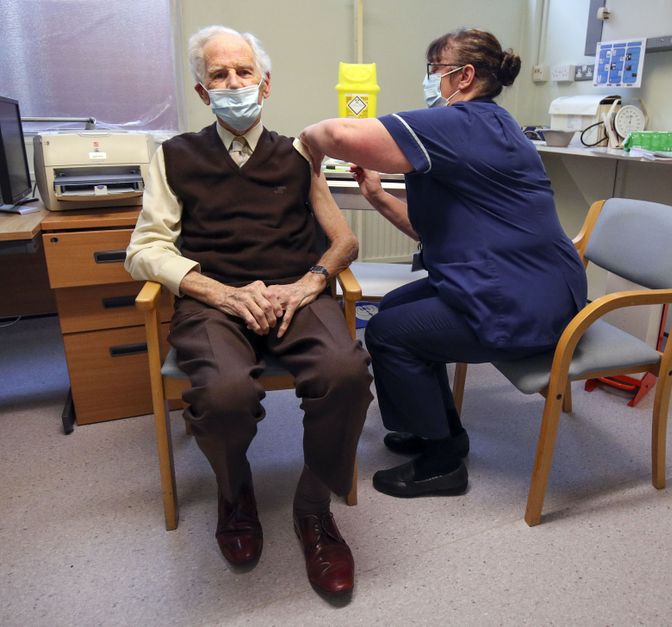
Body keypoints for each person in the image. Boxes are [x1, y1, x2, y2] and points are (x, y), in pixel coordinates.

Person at [125, 25, 372, 597]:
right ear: (203, 91)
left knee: (347, 372)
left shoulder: (298, 155)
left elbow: (343, 242)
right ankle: (235, 492)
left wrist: (309, 284)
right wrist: (217, 291)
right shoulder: (174, 157)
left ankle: (313, 508)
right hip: (214, 300)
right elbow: (145, 248)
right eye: (219, 75)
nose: (233, 83)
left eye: (243, 72)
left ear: (265, 85)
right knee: (225, 393)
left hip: (292, 293)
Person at [300, 28, 587, 499]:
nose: (431, 80)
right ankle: (437, 429)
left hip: (527, 300)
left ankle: (443, 462)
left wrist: (305, 142)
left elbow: (337, 134)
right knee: (393, 312)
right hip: (522, 280)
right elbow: (427, 229)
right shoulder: (491, 123)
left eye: (436, 70)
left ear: (465, 75)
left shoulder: (465, 123)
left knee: (392, 334)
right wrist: (374, 194)